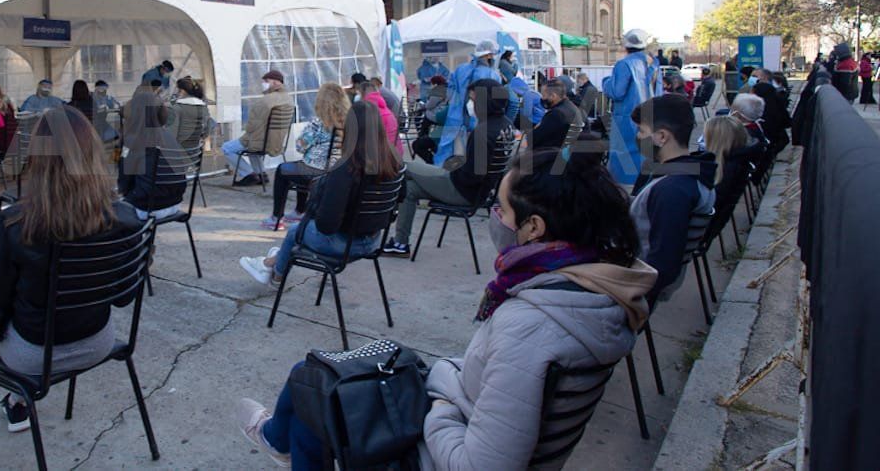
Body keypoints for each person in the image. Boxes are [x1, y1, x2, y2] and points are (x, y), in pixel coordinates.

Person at [236, 147, 656, 469]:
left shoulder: (530, 324)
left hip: (435, 451)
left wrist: (438, 405)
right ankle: (278, 440)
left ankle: (276, 438)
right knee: (318, 378)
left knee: (315, 388)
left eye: (502, 209)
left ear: (533, 228)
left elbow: (479, 465)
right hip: (472, 413)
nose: (495, 217)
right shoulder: (599, 292)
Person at [0, 106, 145, 432]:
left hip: (33, 352)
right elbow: (124, 297)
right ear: (92, 154)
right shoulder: (124, 219)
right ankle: (17, 399)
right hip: (96, 340)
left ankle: (18, 400)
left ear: (38, 158)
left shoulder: (16, 223)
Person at [239, 99, 404, 285]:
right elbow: (400, 198)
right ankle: (271, 262)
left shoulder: (346, 169)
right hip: (374, 240)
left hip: (344, 245)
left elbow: (326, 226)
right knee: (298, 231)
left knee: (295, 231)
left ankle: (275, 273)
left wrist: (318, 199)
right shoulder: (395, 162)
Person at [383, 79, 512, 257]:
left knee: (405, 167)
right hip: (479, 193)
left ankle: (376, 208)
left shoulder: (483, 132)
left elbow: (471, 177)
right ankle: (400, 243)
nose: (470, 105)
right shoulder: (505, 124)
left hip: (462, 190)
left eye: (473, 100)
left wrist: (453, 168)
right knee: (409, 189)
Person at [628, 95, 717, 303]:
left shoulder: (672, 190)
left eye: (642, 131)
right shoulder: (692, 173)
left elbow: (662, 264)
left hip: (633, 286)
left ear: (661, 137)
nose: (638, 137)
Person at [260, 83, 350, 230]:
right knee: (299, 166)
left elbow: (301, 147)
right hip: (336, 171)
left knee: (283, 170)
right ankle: (299, 211)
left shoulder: (319, 123)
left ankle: (277, 217)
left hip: (316, 171)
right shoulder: (349, 122)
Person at [602, 28, 660, 185]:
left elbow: (617, 92)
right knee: (646, 151)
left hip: (627, 118)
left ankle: (625, 186)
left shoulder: (624, 64)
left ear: (625, 45)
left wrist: (606, 82)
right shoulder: (653, 63)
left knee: (624, 155)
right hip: (650, 115)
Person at [119, 91, 187, 222]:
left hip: (145, 208)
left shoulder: (132, 140)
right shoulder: (169, 136)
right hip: (175, 204)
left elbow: (123, 183)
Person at [434, 40, 502, 165]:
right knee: (474, 152)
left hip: (455, 115)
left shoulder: (461, 69)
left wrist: (457, 103)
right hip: (479, 117)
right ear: (488, 55)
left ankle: (439, 171)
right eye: (492, 55)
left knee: (447, 147)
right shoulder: (491, 74)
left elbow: (450, 90)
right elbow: (496, 99)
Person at [223, 70, 290, 186]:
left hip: (262, 143)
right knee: (253, 148)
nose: (263, 84)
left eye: (266, 81)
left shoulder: (266, 100)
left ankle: (249, 174)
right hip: (277, 142)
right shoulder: (288, 98)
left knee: (227, 148)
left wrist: (247, 135)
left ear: (275, 82)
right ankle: (261, 174)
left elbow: (251, 127)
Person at [532, 78, 583, 150]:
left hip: (552, 153)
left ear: (553, 96)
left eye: (543, 95)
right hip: (567, 150)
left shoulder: (557, 114)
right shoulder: (570, 106)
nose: (542, 98)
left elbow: (534, 139)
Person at [166, 76, 212, 150]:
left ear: (182, 91)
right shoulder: (204, 108)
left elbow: (170, 135)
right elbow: (206, 132)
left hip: (178, 152)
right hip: (195, 151)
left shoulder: (175, 108)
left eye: (177, 90)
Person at [411, 75, 448, 164]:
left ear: (435, 83)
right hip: (441, 123)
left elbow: (430, 105)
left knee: (425, 118)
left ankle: (422, 136)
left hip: (435, 118)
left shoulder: (438, 91)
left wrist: (422, 106)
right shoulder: (447, 90)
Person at [359, 80, 400, 150]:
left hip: (384, 152)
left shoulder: (371, 111)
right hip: (396, 149)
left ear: (362, 94)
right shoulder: (383, 107)